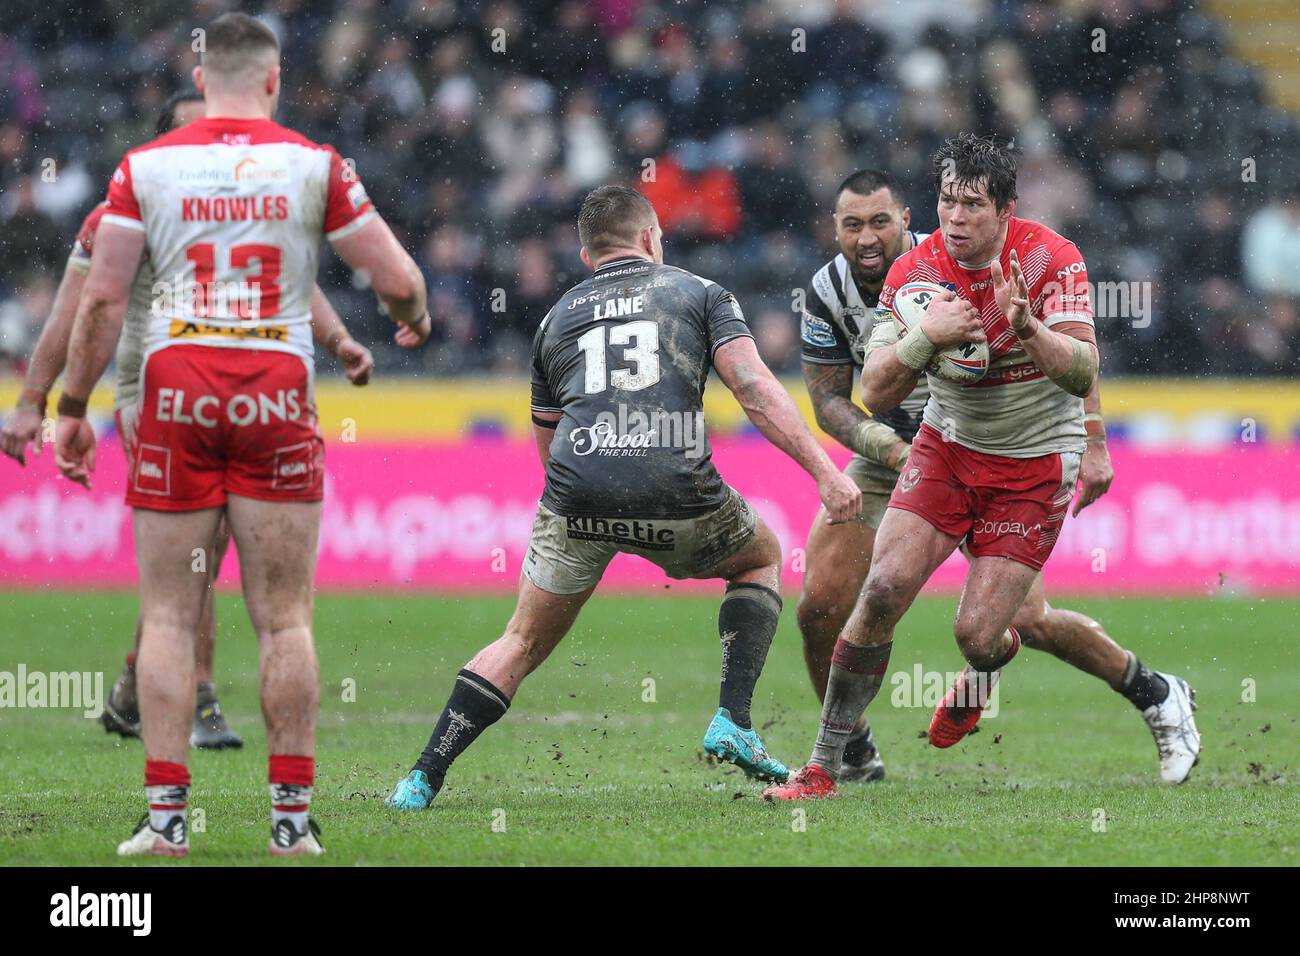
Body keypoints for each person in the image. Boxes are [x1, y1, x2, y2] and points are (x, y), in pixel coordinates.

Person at [52, 13, 430, 857]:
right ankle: (291, 824)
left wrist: (72, 405)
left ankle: (166, 821)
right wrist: (412, 314)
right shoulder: (312, 164)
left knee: (167, 619)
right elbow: (397, 277)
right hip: (273, 389)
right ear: (272, 79)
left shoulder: (144, 168)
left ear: (199, 82)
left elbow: (104, 299)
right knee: (285, 619)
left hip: (177, 387)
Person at [384, 184, 861, 810]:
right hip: (676, 484)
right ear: (651, 238)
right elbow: (754, 390)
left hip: (577, 492)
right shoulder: (697, 292)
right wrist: (826, 472)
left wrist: (586, 506)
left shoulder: (557, 317)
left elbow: (548, 443)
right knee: (758, 558)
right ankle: (732, 719)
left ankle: (420, 777)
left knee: (520, 641)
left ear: (588, 257)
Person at [767, 135, 1199, 801]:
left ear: (1006, 210)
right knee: (875, 590)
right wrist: (926, 336)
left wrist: (1031, 332)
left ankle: (1135, 687)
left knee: (987, 632)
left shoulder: (1051, 258)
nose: (956, 218)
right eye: (948, 202)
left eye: (971, 205)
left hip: (1032, 463)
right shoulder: (913, 273)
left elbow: (1083, 366)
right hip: (941, 446)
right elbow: (870, 395)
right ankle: (826, 765)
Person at [0, 89, 385, 752]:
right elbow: (78, 309)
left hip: (241, 387)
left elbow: (297, 283)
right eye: (191, 132)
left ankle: (135, 681)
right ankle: (200, 695)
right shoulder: (123, 208)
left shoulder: (241, 208)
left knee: (200, 556)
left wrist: (340, 340)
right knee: (202, 547)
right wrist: (38, 402)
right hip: (154, 389)